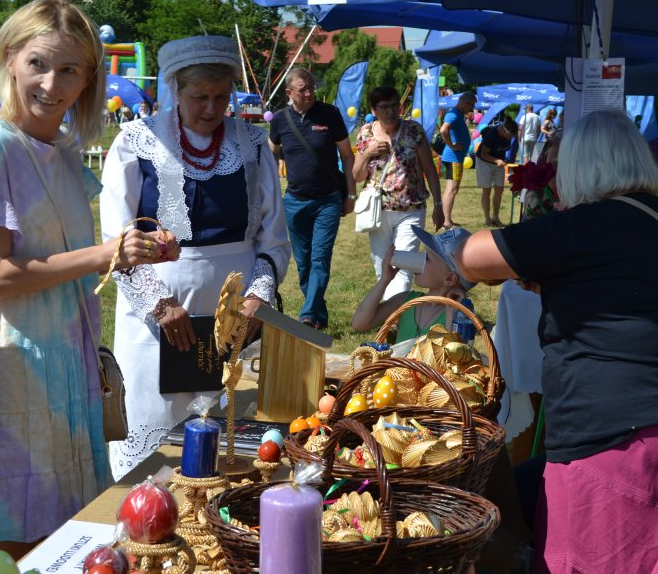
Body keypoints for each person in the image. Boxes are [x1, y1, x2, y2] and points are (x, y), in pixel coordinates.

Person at [0, 0, 174, 565]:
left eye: (69, 69)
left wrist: (128, 251)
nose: (51, 83)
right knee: (14, 529)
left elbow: (62, 252)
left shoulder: (60, 148)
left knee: (63, 524)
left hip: (62, 358)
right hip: (13, 363)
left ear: (88, 79)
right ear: (10, 59)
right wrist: (105, 253)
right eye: (38, 63)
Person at [455, 109, 658, 572]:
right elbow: (639, 293)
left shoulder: (585, 224)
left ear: (579, 168)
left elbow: (470, 257)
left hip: (621, 442)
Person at [99, 35, 290, 480]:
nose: (211, 108)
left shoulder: (254, 144)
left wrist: (258, 296)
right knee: (155, 441)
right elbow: (116, 237)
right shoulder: (135, 142)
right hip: (156, 316)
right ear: (175, 90)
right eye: (199, 97)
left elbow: (273, 238)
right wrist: (159, 304)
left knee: (225, 435)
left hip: (232, 314)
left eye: (221, 97)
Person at [268, 68, 354, 329]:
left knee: (319, 258)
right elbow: (272, 153)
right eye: (303, 89)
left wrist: (350, 193)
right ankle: (319, 315)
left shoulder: (330, 114)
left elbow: (348, 156)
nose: (309, 93)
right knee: (303, 264)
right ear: (289, 92)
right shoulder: (281, 120)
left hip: (328, 200)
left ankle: (306, 316)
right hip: (294, 202)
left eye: (312, 88)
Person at [353, 86, 444, 300]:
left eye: (394, 105)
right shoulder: (366, 133)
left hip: (411, 209)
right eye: (384, 107)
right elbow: (356, 176)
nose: (391, 111)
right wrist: (367, 153)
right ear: (374, 110)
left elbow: (429, 170)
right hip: (378, 211)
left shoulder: (414, 130)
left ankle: (395, 317)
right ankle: (387, 312)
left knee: (403, 264)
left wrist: (439, 206)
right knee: (381, 265)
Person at [351, 227, 472, 339]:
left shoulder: (459, 315)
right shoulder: (406, 300)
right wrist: (384, 280)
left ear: (449, 279)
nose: (420, 261)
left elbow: (453, 354)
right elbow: (360, 323)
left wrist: (451, 315)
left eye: (427, 258)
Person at [438, 91, 476, 230]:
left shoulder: (457, 114)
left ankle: (446, 219)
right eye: (471, 105)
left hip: (456, 158)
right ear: (464, 102)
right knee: (451, 189)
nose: (471, 109)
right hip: (453, 158)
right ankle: (446, 222)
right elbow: (443, 130)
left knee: (452, 189)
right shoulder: (453, 114)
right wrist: (452, 145)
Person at [476, 117, 518, 227]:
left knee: (499, 189)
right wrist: (497, 160)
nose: (510, 138)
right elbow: (484, 154)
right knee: (487, 190)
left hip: (498, 163)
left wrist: (502, 160)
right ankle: (487, 219)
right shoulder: (491, 135)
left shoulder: (508, 135)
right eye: (510, 136)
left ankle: (495, 217)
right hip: (484, 162)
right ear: (503, 130)